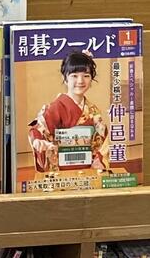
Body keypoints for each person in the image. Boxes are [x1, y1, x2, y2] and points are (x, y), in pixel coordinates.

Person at [27, 49, 109, 177]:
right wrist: (38, 140)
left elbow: (101, 139)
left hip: (87, 165)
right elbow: (38, 129)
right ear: (65, 78)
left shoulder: (92, 110)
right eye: (74, 76)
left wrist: (98, 158)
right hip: (62, 167)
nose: (80, 81)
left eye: (86, 75)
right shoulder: (57, 106)